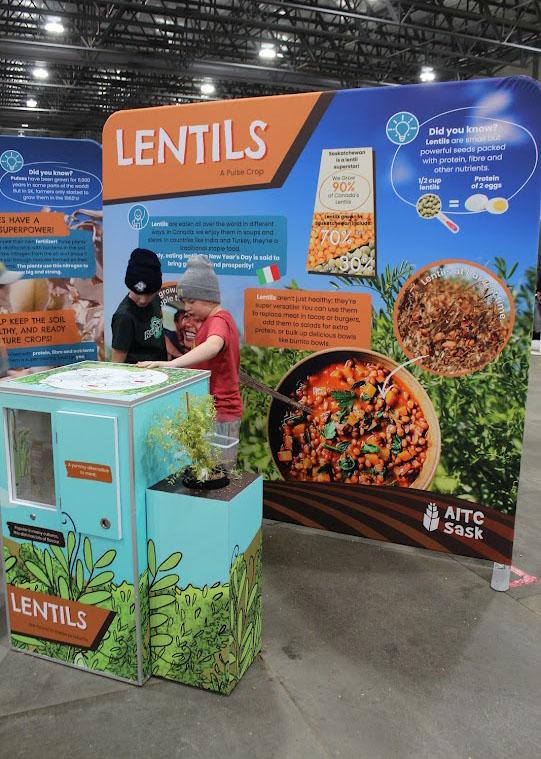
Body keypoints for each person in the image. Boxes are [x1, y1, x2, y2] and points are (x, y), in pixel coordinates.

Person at [138, 255, 242, 467]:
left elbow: (213, 345)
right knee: (206, 470)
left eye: (191, 301)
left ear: (209, 298)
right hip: (210, 411)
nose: (186, 307)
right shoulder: (212, 320)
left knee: (220, 473)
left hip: (221, 413)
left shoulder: (219, 321)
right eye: (185, 301)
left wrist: (172, 364)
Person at [111, 248, 166, 364]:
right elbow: (117, 362)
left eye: (149, 294)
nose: (143, 300)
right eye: (138, 293)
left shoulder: (156, 300)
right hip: (137, 373)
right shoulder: (124, 317)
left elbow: (158, 333)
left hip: (160, 368)